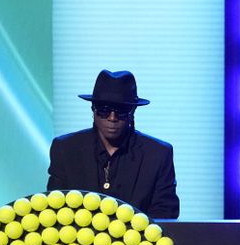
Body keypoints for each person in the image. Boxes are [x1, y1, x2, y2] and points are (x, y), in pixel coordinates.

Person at [47, 70, 180, 219]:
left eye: (121, 111)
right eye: (104, 110)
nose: (112, 118)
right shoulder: (66, 150)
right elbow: (56, 208)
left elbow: (165, 216)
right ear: (93, 109)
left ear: (132, 111)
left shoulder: (158, 155)